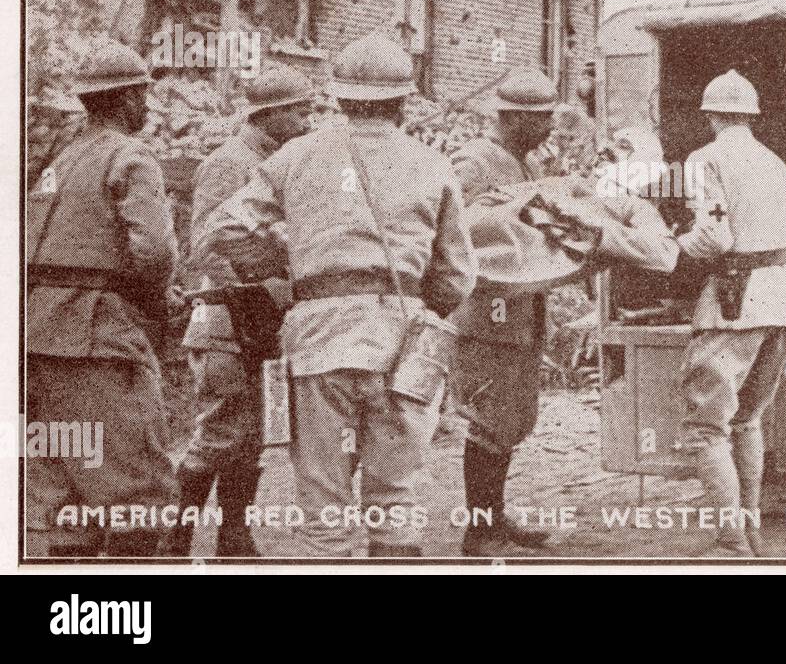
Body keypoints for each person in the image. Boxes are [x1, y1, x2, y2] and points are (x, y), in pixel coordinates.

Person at [210, 32, 476, 557]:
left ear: (337, 96)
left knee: (324, 503)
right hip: (404, 341)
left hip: (319, 339)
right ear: (402, 101)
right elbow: (459, 274)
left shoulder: (295, 157)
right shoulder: (433, 164)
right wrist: (421, 308)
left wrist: (295, 282)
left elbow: (227, 229)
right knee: (395, 499)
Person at [25, 42, 179, 557]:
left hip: (37, 335)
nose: (149, 108)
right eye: (144, 96)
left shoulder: (59, 160)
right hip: (99, 337)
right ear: (127, 98)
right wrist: (154, 304)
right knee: (141, 491)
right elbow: (154, 251)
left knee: (65, 487)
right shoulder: (129, 155)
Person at [162, 66, 315, 557]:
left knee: (250, 433)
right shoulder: (231, 162)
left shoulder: (276, 159)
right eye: (298, 111)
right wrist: (255, 290)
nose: (307, 121)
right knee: (219, 430)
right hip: (226, 320)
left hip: (259, 318)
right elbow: (206, 246)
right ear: (269, 115)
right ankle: (174, 540)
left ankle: (234, 539)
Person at [673, 69, 786, 557]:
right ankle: (750, 536)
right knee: (747, 419)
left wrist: (669, 249)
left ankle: (731, 546)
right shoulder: (777, 165)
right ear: (750, 116)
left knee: (706, 428)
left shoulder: (705, 159)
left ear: (710, 116)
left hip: (736, 303)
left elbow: (715, 238)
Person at [448, 68, 560, 556]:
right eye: (541, 119)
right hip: (487, 314)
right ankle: (480, 531)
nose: (550, 127)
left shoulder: (521, 161)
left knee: (511, 418)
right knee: (489, 420)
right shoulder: (474, 162)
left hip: (520, 310)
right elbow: (453, 232)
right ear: (513, 118)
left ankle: (493, 514)